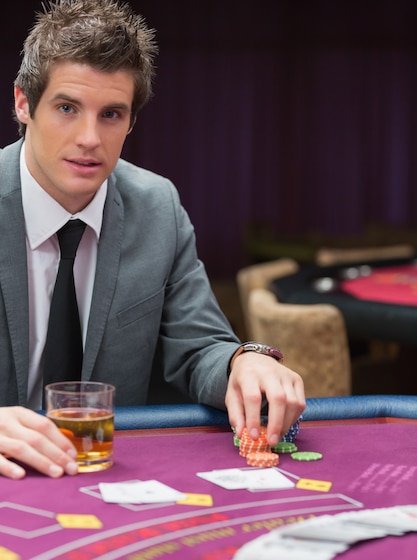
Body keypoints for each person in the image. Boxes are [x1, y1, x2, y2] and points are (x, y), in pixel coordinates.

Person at [0, 0, 305, 480]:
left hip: (110, 477)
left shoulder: (157, 206)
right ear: (23, 103)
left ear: (131, 122)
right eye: (66, 108)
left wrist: (244, 361)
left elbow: (200, 345)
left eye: (111, 114)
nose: (89, 138)